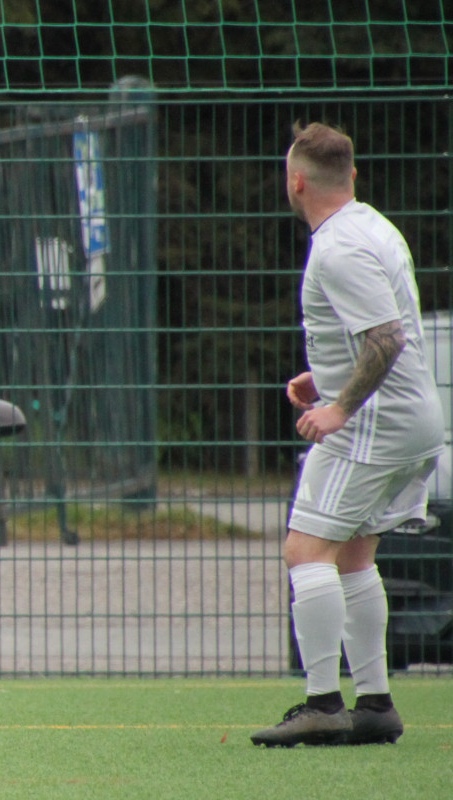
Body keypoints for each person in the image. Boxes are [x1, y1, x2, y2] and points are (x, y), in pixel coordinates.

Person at [250, 123, 443, 747]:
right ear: (352, 175)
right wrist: (328, 376)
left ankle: (322, 704)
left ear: (296, 182)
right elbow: (383, 327)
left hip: (373, 425)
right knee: (355, 555)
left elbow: (385, 337)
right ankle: (376, 705)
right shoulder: (373, 226)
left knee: (305, 552)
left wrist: (338, 407)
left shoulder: (337, 247)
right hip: (408, 419)